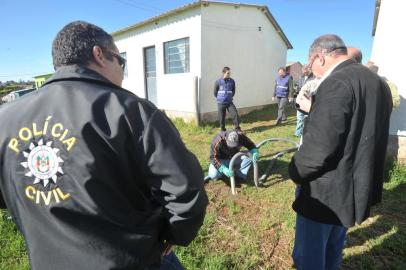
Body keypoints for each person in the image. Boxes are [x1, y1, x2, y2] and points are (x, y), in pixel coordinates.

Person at [0, 21, 208, 270]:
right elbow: (186, 191)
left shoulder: (5, 118)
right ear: (100, 55)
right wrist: (173, 236)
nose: (122, 70)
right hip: (132, 259)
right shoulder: (132, 111)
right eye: (121, 62)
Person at [289, 34, 392, 270]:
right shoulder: (378, 82)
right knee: (334, 249)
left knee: (309, 257)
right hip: (354, 186)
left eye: (311, 64)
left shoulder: (336, 82)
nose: (313, 71)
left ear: (319, 57)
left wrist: (294, 170)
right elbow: (356, 127)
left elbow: (320, 147)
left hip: (326, 192)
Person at [214, 67, 241, 131]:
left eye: (229, 73)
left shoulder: (232, 81)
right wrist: (220, 98)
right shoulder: (218, 82)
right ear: (224, 73)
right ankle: (223, 130)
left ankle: (237, 128)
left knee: (235, 114)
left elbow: (233, 90)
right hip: (221, 102)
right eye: (228, 73)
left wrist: (230, 96)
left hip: (229, 102)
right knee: (221, 117)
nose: (229, 74)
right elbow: (215, 92)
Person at [294, 65, 315, 136]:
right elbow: (298, 86)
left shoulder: (313, 78)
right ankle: (298, 133)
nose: (304, 72)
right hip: (300, 100)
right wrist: (297, 89)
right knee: (299, 118)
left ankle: (306, 132)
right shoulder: (301, 78)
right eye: (303, 71)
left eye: (305, 70)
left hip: (309, 100)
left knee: (307, 118)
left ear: (309, 70)